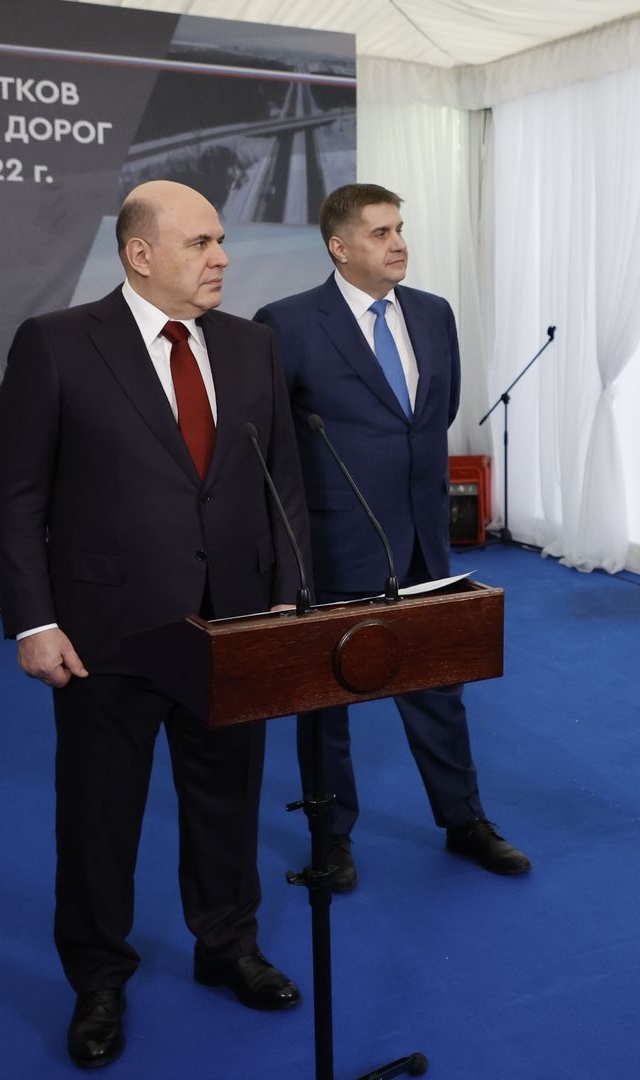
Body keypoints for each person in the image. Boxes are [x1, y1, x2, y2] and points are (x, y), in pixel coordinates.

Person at [0, 180, 312, 1068]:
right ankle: (98, 978)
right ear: (140, 254)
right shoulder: (57, 342)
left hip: (232, 625)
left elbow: (282, 480)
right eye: (202, 242)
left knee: (227, 802)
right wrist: (33, 622)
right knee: (99, 816)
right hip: (107, 633)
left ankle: (228, 944)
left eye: (220, 241)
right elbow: (17, 497)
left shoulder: (251, 345)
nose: (222, 258)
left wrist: (286, 596)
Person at [253, 183, 529, 892]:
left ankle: (465, 821)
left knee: (439, 688)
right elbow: (273, 444)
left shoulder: (434, 314)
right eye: (380, 232)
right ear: (339, 247)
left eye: (400, 228)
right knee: (326, 705)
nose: (399, 242)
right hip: (331, 544)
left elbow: (435, 414)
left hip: (422, 542)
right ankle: (332, 839)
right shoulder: (286, 323)